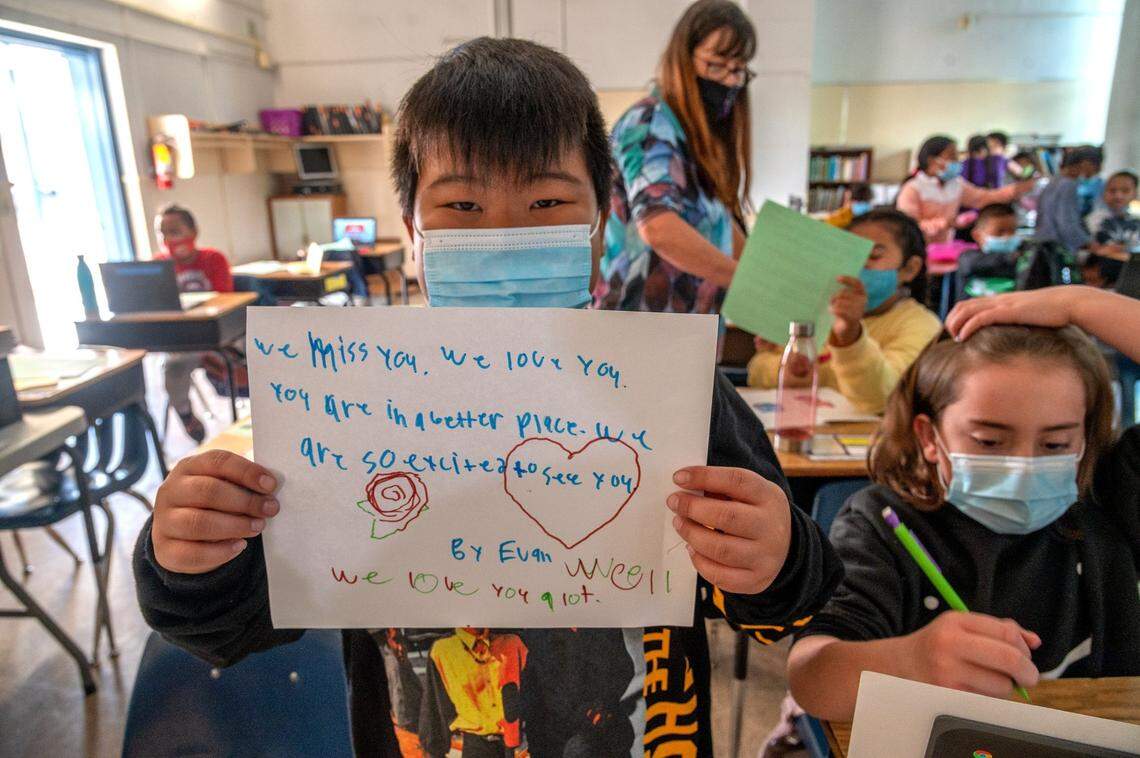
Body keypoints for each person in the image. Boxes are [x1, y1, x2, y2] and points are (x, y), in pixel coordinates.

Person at [133, 37, 842, 757]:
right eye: (462, 204)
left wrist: (778, 555)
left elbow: (786, 601)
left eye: (548, 201)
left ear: (600, 228)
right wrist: (192, 560)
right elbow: (235, 624)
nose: (504, 234)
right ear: (412, 233)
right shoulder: (347, 400)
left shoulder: (669, 386)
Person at [785, 285, 1140, 721]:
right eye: (989, 441)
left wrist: (1080, 304)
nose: (1022, 465)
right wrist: (909, 662)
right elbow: (812, 678)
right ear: (928, 437)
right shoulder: (882, 524)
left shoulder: (1109, 497)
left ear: (1085, 437)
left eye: (1055, 443)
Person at [595, 0, 754, 314]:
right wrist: (750, 282)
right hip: (639, 326)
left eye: (738, 70)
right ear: (683, 59)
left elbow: (721, 226)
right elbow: (658, 226)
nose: (729, 82)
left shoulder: (694, 141)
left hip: (685, 333)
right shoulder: (650, 124)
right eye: (716, 65)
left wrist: (777, 285)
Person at [747, 209, 941, 414]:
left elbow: (885, 397)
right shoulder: (814, 311)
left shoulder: (922, 326)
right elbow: (757, 369)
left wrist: (851, 338)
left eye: (874, 256)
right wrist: (785, 370)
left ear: (909, 269)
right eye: (850, 256)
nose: (858, 267)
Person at [153, 204, 234, 442]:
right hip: (178, 339)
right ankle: (186, 415)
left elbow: (226, 301)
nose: (169, 238)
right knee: (173, 365)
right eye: (162, 232)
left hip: (213, 334)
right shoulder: (157, 265)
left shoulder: (212, 258)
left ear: (193, 232)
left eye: (175, 230)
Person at [896, 135, 1036, 244]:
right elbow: (909, 227)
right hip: (919, 249)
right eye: (952, 157)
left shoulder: (956, 184)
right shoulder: (913, 188)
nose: (957, 161)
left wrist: (1015, 190)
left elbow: (984, 197)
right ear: (933, 161)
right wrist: (949, 223)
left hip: (945, 249)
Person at [1034, 145, 1104, 255]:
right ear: (1086, 163)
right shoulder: (1069, 185)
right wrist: (1089, 243)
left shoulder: (1054, 182)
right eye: (1095, 169)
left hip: (1044, 246)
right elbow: (1067, 223)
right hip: (1059, 248)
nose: (1094, 174)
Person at [1083, 170, 1140, 286]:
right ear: (1104, 192)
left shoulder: (1135, 221)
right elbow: (1098, 250)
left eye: (1125, 191)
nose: (1118, 196)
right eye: (1112, 191)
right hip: (1101, 280)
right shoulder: (1093, 220)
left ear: (1135, 193)